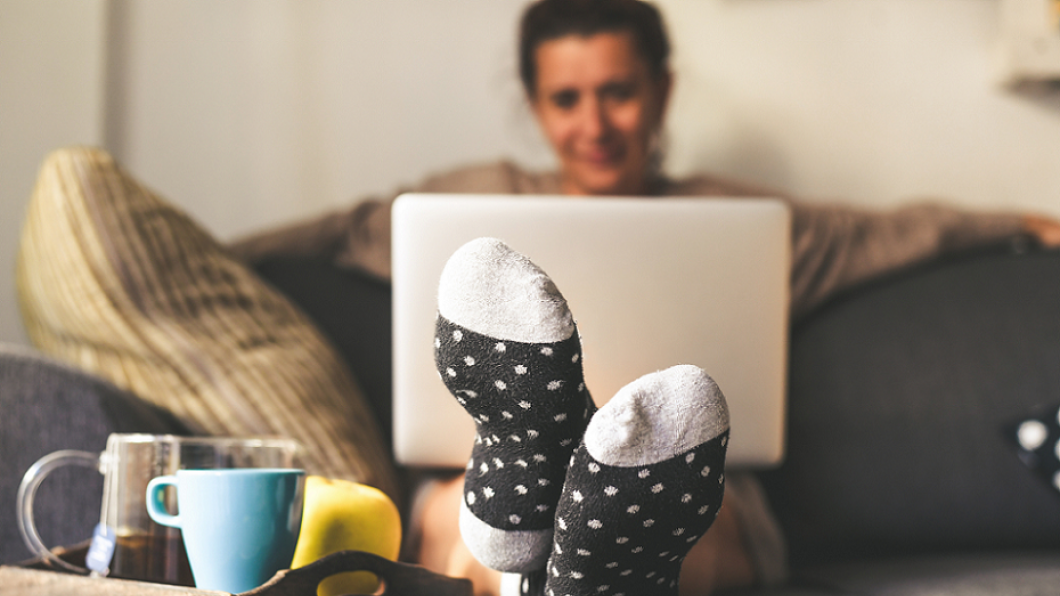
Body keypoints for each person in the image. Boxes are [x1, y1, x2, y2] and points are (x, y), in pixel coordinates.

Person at [229, 1, 1060, 594]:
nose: (595, 124)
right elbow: (335, 232)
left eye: (618, 92)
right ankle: (556, 523)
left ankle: (586, 549)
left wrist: (1020, 222)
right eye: (567, 99)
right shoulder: (468, 198)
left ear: (662, 92)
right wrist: (218, 256)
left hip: (696, 489)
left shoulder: (740, 218)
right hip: (466, 481)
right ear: (534, 106)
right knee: (455, 509)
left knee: (687, 509)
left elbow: (891, 232)